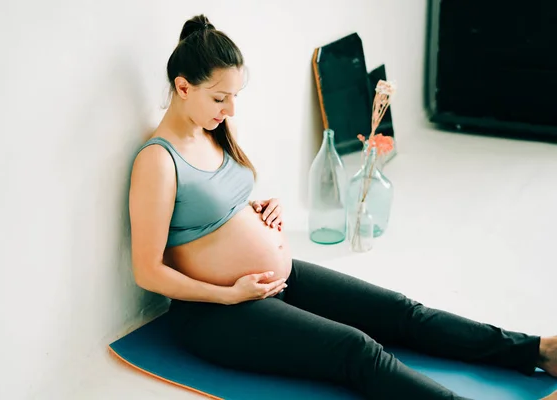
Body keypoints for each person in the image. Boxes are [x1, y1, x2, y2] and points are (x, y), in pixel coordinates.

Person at [128, 14, 557, 400]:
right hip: (217, 312)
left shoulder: (211, 130)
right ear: (183, 87)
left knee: (401, 312)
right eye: (221, 98)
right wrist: (228, 294)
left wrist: (255, 208)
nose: (231, 109)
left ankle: (537, 349)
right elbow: (147, 270)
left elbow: (213, 203)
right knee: (356, 351)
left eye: (236, 96)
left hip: (277, 278)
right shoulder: (157, 161)